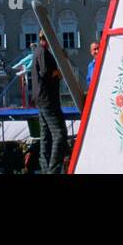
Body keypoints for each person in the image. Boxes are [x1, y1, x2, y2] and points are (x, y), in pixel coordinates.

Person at [32, 33, 68, 173]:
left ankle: (46, 169)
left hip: (42, 99)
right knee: (60, 134)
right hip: (48, 99)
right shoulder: (43, 52)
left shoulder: (38, 52)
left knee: (46, 137)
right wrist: (59, 71)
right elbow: (46, 72)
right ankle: (53, 170)